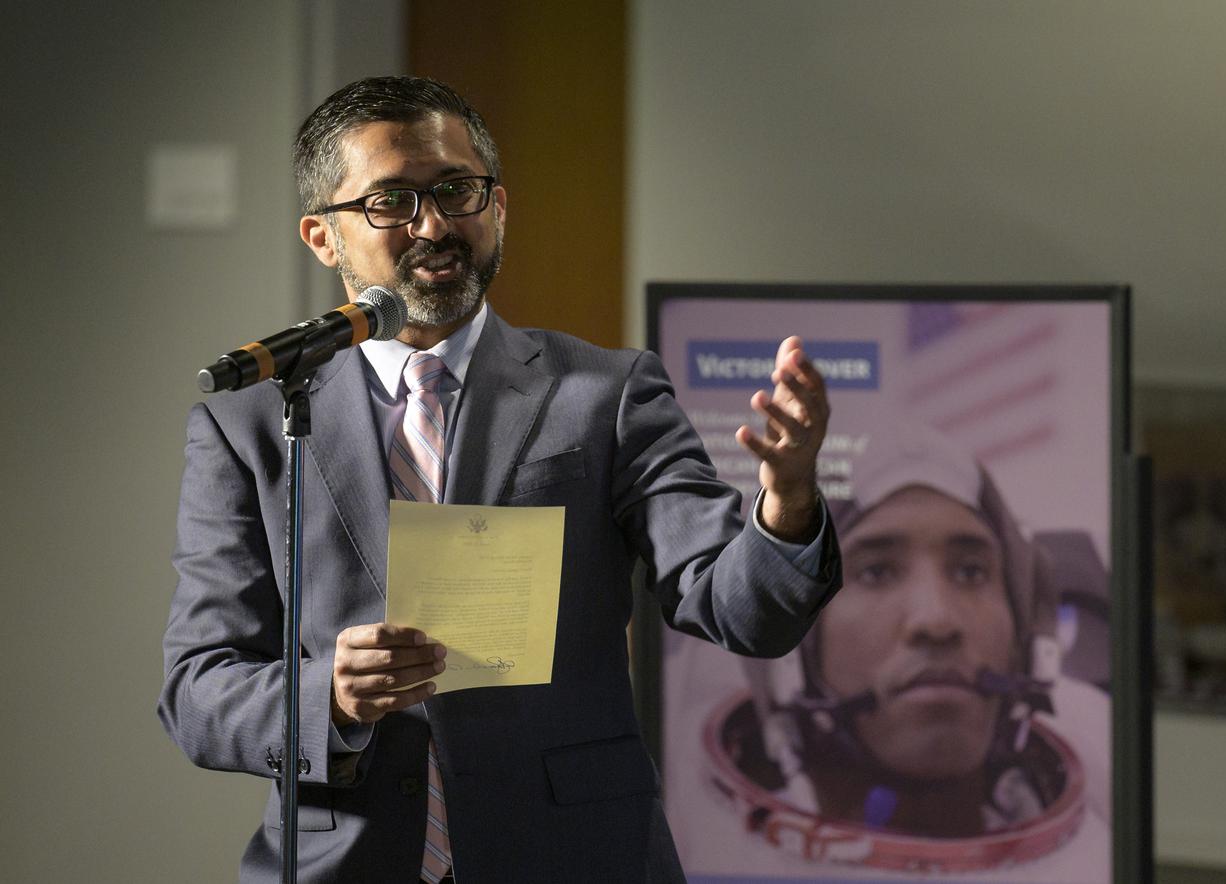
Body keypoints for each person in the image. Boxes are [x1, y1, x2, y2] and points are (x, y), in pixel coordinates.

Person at [158, 75, 841, 884]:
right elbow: (198, 691)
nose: (435, 224)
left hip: (575, 856)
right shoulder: (249, 429)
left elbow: (738, 609)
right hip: (343, 860)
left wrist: (788, 501)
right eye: (392, 202)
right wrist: (329, 695)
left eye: (457, 190)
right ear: (321, 236)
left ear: (500, 206)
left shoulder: (606, 393)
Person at [670, 423, 1111, 878]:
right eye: (876, 572)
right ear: (793, 643)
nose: (936, 621)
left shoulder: (1101, 770)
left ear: (1027, 628)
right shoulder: (682, 820)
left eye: (971, 571)